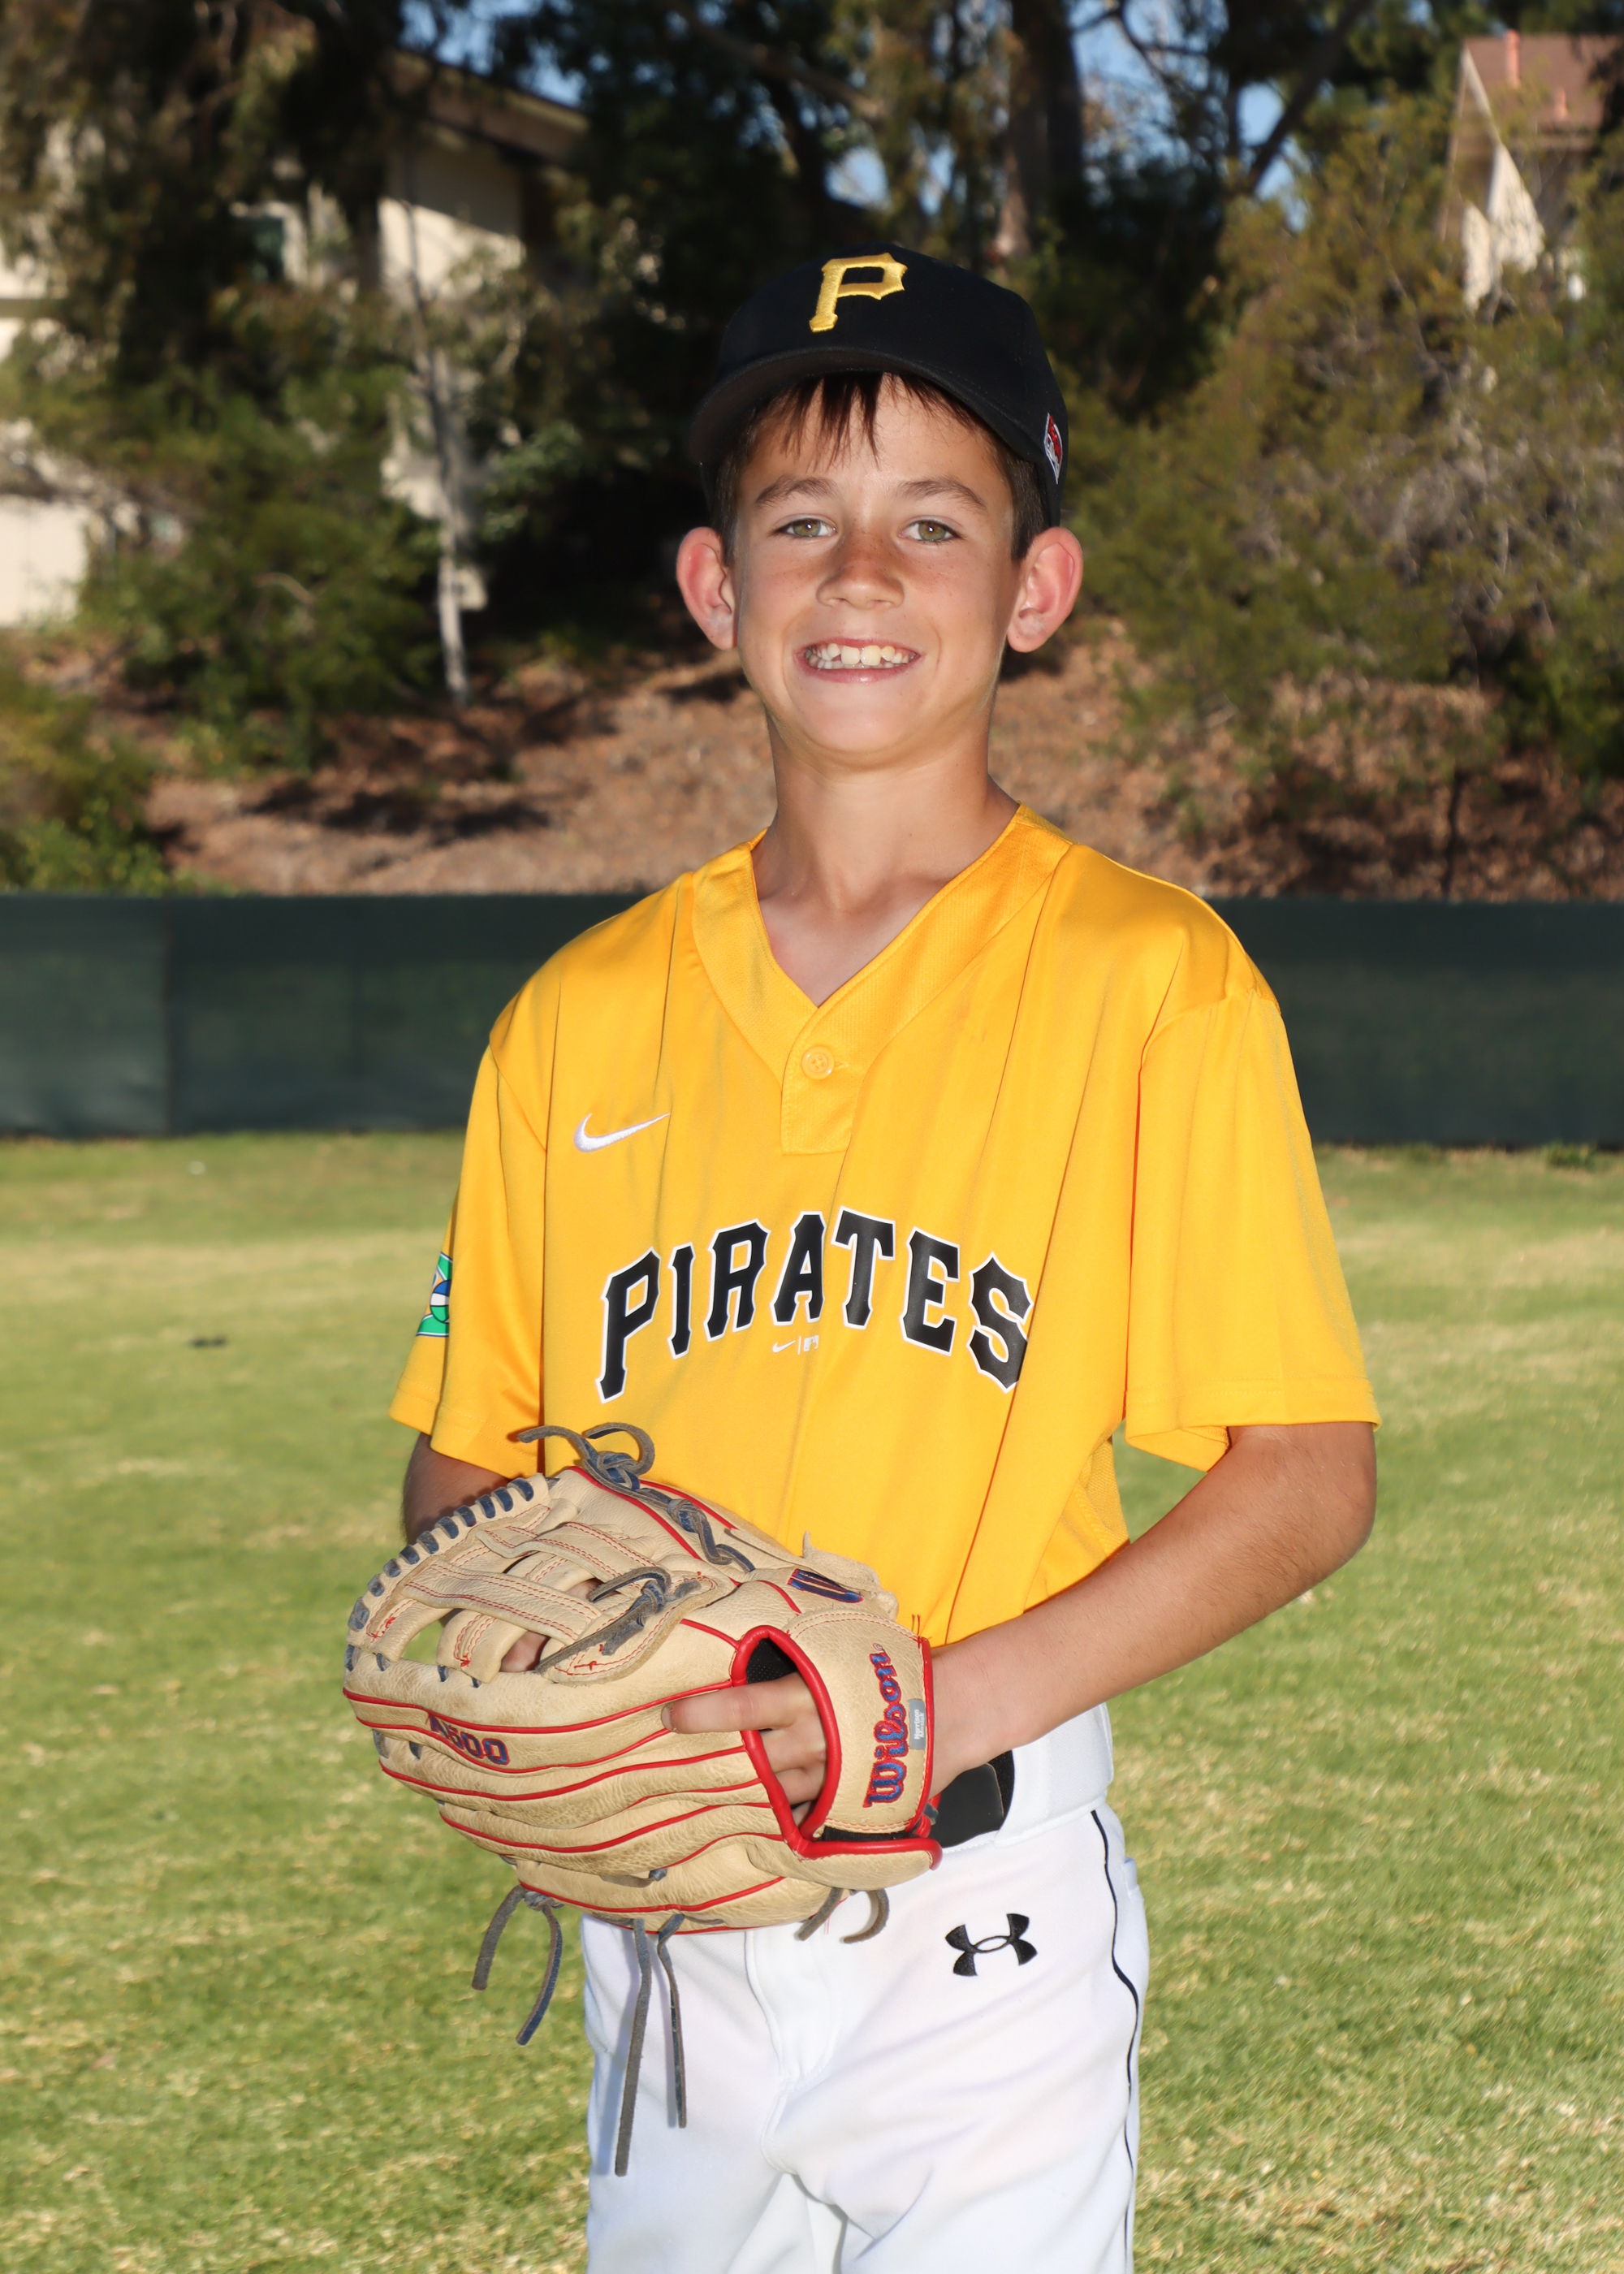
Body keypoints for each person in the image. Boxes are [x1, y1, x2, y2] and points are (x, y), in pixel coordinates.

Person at [389, 244, 1379, 2273]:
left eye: (933, 520)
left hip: (975, 1926)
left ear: (1034, 587)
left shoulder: (1151, 979)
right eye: (798, 521)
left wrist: (923, 1703)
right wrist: (575, 1677)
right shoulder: (576, 1016)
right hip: (664, 1920)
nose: (859, 574)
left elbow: (1304, 1474)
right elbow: (465, 1456)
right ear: (711, 585)